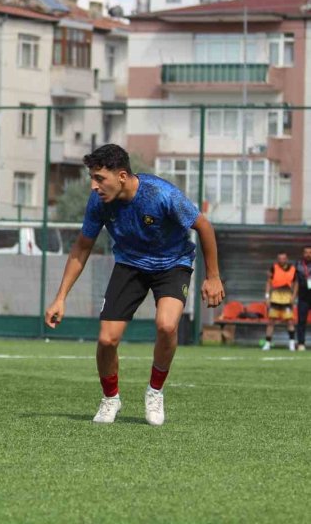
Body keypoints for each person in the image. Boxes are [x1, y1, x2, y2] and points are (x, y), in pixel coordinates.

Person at [44, 144, 225, 426]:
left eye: (99, 178)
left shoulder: (161, 194)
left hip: (172, 264)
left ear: (122, 176)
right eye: (92, 178)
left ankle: (155, 392)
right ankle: (110, 399)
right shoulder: (99, 202)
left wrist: (213, 276)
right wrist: (60, 297)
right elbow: (82, 247)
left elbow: (204, 226)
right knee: (107, 340)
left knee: (166, 326)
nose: (94, 186)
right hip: (130, 265)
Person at [263, 251, 297, 351]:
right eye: (280, 258)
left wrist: (294, 297)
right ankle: (267, 344)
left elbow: (296, 284)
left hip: (287, 298)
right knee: (271, 322)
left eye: (283, 258)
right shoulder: (273, 268)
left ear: (287, 259)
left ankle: (291, 344)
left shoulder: (293, 269)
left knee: (290, 322)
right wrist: (267, 296)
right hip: (275, 298)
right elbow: (268, 282)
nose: (281, 260)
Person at [294, 246, 311, 351]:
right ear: (303, 254)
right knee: (301, 321)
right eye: (306, 252)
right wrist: (293, 296)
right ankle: (301, 343)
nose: (308, 254)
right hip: (303, 296)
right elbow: (296, 281)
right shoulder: (298, 264)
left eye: (310, 252)